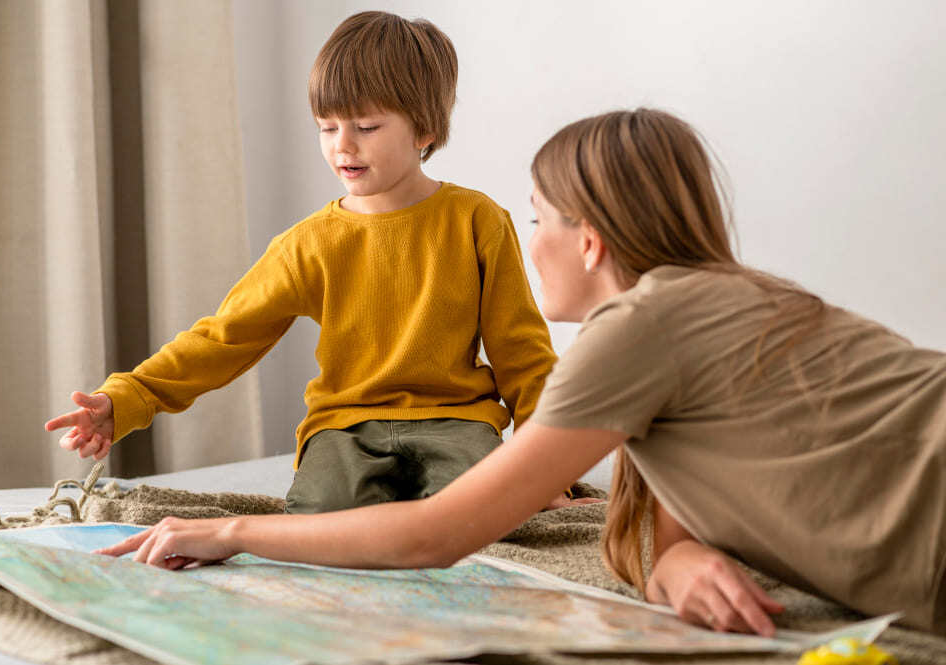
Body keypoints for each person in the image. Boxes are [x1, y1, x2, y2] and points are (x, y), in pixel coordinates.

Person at [98, 108, 946, 637]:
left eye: (536, 217)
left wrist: (233, 531)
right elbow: (705, 470)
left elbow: (436, 533)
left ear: (590, 240)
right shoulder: (732, 301)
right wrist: (676, 563)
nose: (525, 235)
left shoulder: (636, 327)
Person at [44, 11, 564, 513]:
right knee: (322, 521)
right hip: (344, 426)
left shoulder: (477, 220)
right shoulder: (308, 244)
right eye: (327, 127)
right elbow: (223, 338)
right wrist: (128, 397)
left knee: (486, 517)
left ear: (425, 130)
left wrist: (548, 467)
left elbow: (522, 351)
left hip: (459, 422)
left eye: (367, 125)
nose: (343, 146)